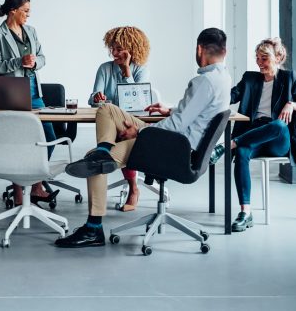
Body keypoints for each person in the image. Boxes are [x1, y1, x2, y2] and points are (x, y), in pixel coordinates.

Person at [55, 28, 232, 248]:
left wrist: (139, 132)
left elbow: (176, 127)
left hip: (174, 148)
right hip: (182, 144)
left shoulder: (202, 82)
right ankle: (104, 150)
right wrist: (171, 110)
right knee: (107, 110)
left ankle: (93, 229)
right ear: (224, 51)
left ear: (199, 49)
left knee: (94, 163)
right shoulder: (223, 78)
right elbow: (194, 115)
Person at [209, 37, 296, 232]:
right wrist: (215, 86)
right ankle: (245, 213)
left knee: (280, 126)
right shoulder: (250, 79)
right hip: (253, 135)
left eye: (264, 58)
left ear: (278, 58)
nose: (259, 63)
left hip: (277, 140)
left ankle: (228, 145)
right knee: (241, 153)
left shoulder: (289, 78)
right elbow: (229, 96)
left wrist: (293, 104)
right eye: (257, 58)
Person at [0, 0, 59, 207]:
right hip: (11, 91)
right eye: (25, 11)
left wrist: (34, 63)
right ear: (13, 11)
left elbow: (42, 57)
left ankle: (35, 183)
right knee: (17, 140)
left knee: (48, 135)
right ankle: (21, 191)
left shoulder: (31, 31)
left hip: (34, 91)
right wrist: (19, 62)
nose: (28, 15)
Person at [89, 26, 153, 212]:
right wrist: (96, 97)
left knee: (125, 132)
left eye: (119, 49)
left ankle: (133, 187)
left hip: (131, 120)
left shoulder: (141, 70)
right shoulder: (104, 68)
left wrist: (126, 70)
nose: (114, 53)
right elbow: (93, 96)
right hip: (110, 120)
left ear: (131, 50)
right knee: (116, 131)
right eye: (112, 48)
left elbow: (136, 102)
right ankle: (105, 157)